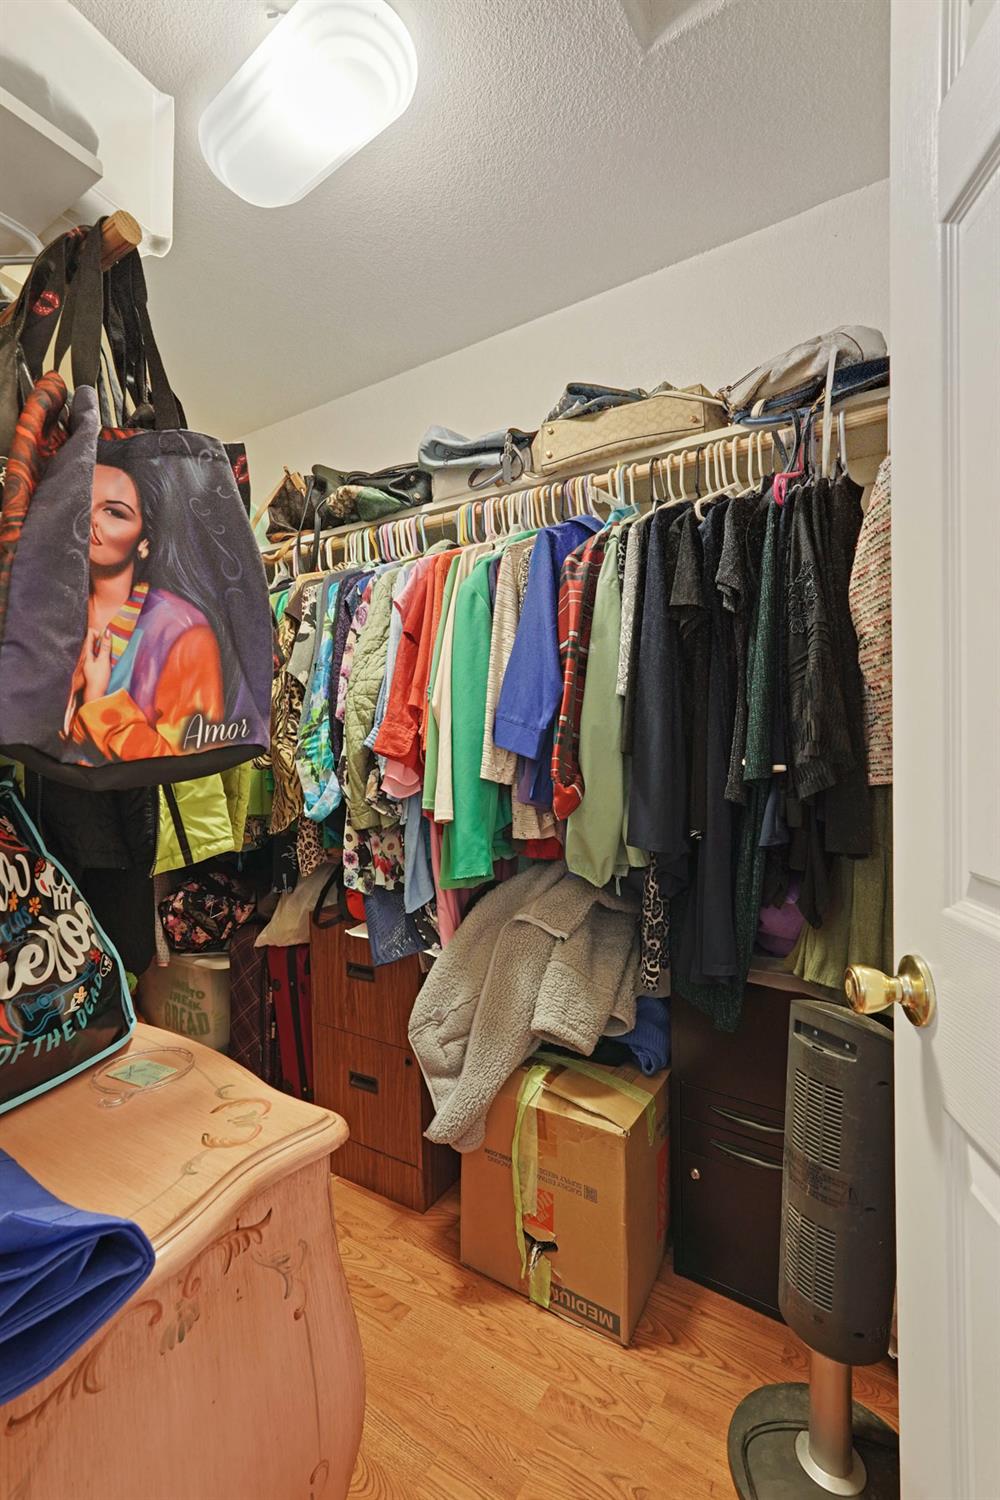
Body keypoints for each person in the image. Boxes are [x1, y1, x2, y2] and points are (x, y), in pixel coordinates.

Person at [64, 460, 229, 763]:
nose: (90, 520)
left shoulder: (184, 632)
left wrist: (98, 701)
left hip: (144, 807)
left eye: (113, 511)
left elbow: (186, 764)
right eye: (82, 503)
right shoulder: (52, 615)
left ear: (145, 541)